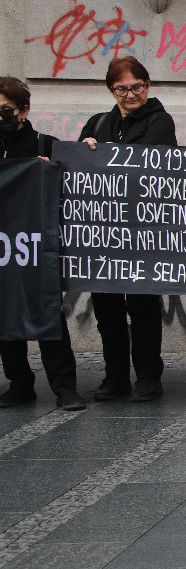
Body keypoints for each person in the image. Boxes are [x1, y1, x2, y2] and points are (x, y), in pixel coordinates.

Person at [79, 56, 176, 402]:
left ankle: (148, 377)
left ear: (147, 87)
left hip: (142, 232)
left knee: (144, 306)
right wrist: (85, 150)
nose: (130, 93)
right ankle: (115, 376)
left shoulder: (160, 121)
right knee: (106, 308)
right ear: (111, 90)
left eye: (136, 86)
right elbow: (79, 171)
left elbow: (150, 162)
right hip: (103, 233)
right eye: (121, 88)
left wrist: (102, 154)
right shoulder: (98, 122)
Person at [0, 77, 85, 411]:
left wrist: (51, 173)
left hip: (37, 248)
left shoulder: (45, 146)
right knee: (5, 314)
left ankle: (64, 387)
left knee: (48, 314)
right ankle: (19, 382)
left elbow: (76, 185)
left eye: (6, 110)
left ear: (24, 110)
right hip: (6, 249)